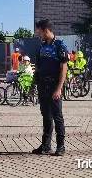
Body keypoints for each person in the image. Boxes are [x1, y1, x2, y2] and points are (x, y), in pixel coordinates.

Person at [33, 19, 68, 156]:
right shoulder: (41, 47)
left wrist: (59, 88)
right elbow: (38, 67)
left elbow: (63, 68)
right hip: (43, 85)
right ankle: (46, 146)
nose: (38, 35)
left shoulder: (60, 46)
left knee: (57, 116)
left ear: (46, 30)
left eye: (39, 32)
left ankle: (61, 146)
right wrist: (34, 84)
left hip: (54, 84)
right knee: (46, 116)